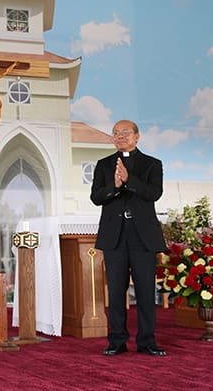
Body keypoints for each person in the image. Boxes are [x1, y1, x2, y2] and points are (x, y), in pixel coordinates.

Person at [90, 120, 168, 357]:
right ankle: (116, 341)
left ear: (137, 136)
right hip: (115, 235)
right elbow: (96, 197)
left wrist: (129, 180)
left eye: (125, 132)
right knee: (115, 291)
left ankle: (146, 341)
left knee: (145, 290)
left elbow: (154, 193)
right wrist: (114, 186)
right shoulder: (104, 165)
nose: (120, 136)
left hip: (142, 235)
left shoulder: (152, 164)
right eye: (116, 133)